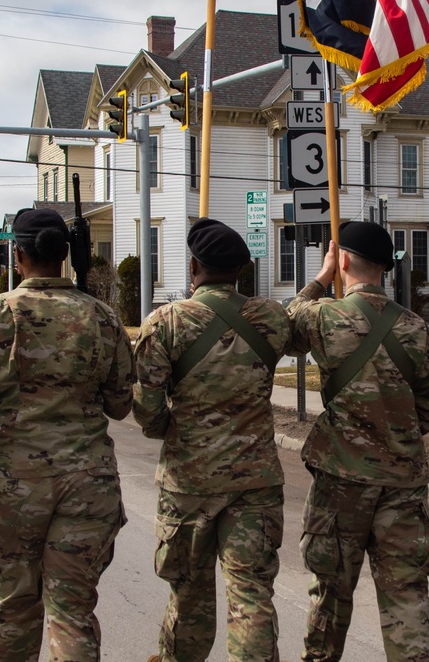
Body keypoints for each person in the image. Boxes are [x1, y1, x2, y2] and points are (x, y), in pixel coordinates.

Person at [0, 207, 134, 662]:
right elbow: (121, 405)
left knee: (16, 606)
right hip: (88, 486)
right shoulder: (102, 318)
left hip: (12, 486)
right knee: (73, 611)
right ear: (66, 256)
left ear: (19, 255)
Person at [134, 218, 292, 662]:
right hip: (256, 481)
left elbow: (145, 408)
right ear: (241, 270)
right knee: (252, 594)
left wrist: (171, 429)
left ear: (193, 267)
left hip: (189, 483)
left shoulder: (166, 321)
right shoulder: (270, 318)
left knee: (189, 590)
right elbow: (298, 321)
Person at [288, 221, 429, 662]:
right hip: (402, 483)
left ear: (343, 261)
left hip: (341, 481)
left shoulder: (324, 316)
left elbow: (283, 324)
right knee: (407, 596)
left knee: (330, 595)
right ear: (386, 268)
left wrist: (321, 278)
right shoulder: (417, 329)